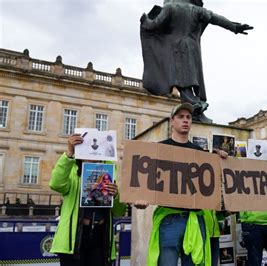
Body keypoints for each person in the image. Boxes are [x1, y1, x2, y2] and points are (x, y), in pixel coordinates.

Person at [137, 103, 228, 266]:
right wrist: (141, 199)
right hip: (169, 218)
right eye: (180, 117)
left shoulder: (200, 153)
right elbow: (146, 182)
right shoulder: (160, 149)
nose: (185, 120)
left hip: (195, 219)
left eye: (188, 117)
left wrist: (222, 162)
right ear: (172, 121)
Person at [140, 0, 253, 122]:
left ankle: (195, 106)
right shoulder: (197, 10)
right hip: (193, 47)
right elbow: (216, 19)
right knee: (188, 79)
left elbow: (155, 25)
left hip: (177, 48)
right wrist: (235, 27)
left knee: (182, 80)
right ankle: (195, 107)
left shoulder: (170, 7)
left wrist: (145, 20)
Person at [49, 134, 126, 266]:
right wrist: (69, 154)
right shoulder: (72, 170)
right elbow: (56, 184)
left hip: (100, 237)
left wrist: (116, 196)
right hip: (73, 239)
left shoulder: (108, 172)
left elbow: (119, 212)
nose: (92, 156)